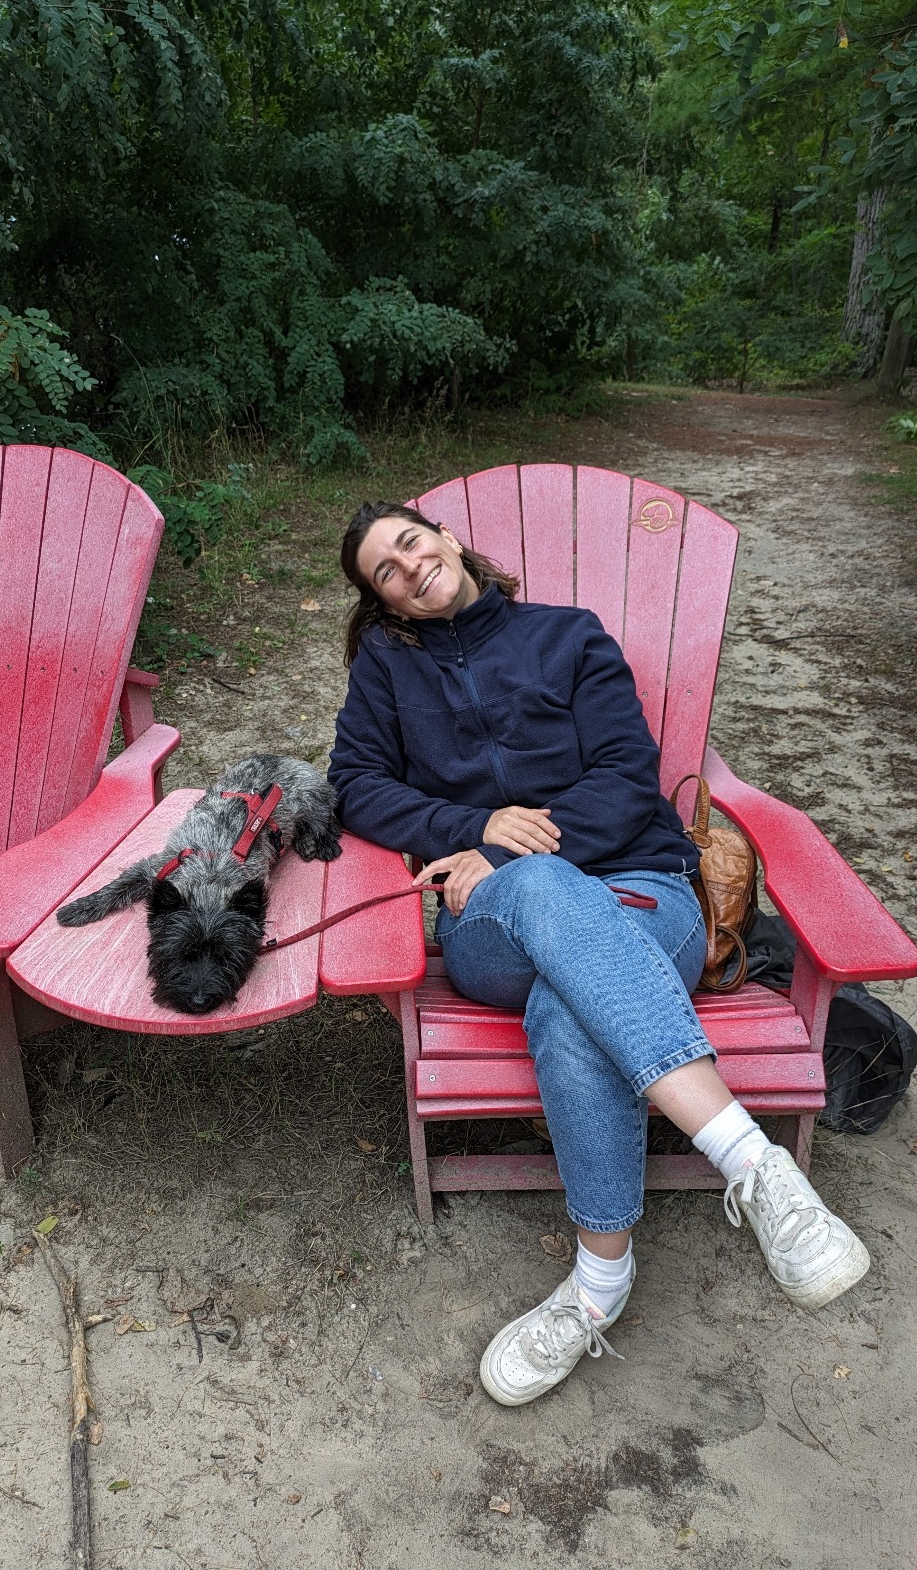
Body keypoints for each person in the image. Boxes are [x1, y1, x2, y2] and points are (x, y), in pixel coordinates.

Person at [327, 501, 871, 1408]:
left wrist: (512, 846)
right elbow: (353, 785)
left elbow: (624, 778)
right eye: (385, 569)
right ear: (384, 602)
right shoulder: (388, 670)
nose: (409, 566)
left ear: (449, 540)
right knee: (541, 890)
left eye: (411, 542)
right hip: (491, 924)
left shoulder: (568, 636)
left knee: (568, 1000)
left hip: (644, 892)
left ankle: (596, 1287)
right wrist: (474, 828)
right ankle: (753, 1164)